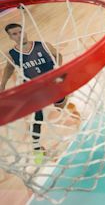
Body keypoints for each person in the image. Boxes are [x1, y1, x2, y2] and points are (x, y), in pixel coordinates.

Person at [1, 23, 69, 164]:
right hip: (34, 88)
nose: (19, 35)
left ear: (25, 31)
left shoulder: (43, 45)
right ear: (10, 37)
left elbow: (58, 55)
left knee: (61, 107)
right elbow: (9, 68)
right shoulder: (12, 54)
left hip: (52, 83)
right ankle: (37, 149)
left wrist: (58, 70)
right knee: (37, 117)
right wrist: (2, 84)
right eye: (15, 34)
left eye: (21, 32)